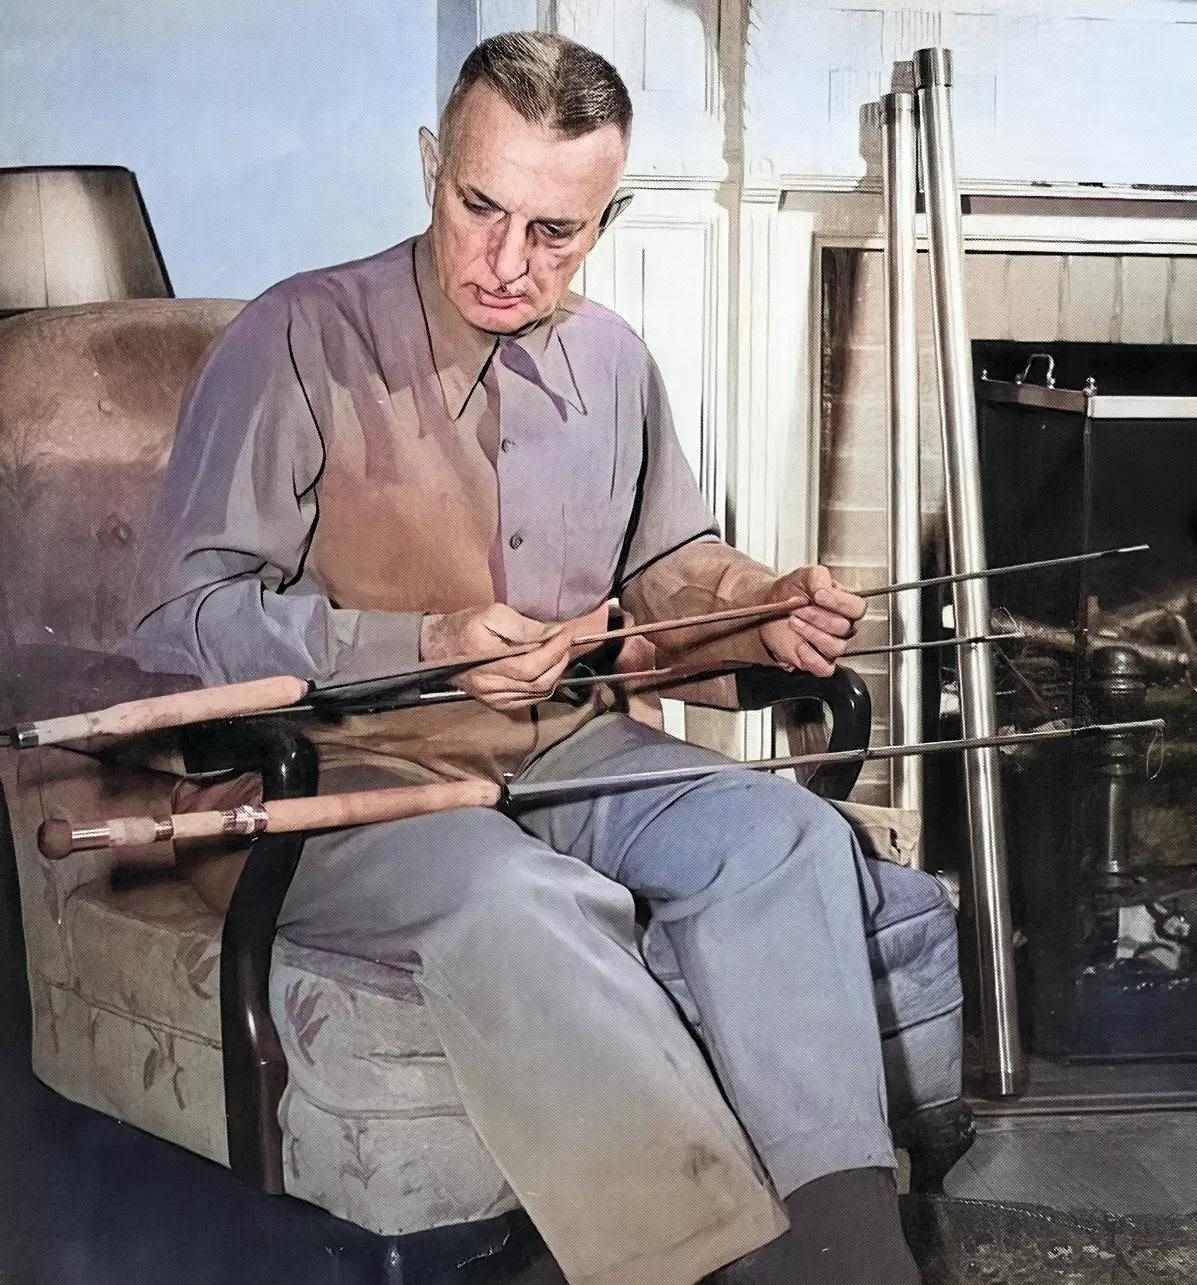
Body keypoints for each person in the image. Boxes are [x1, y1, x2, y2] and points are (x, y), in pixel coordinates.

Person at [132, 31, 964, 1285]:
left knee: (784, 835)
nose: (509, 262)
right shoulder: (295, 337)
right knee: (517, 898)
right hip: (337, 783)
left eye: (555, 233)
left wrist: (760, 608)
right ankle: (700, 1261)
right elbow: (181, 619)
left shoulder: (614, 360)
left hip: (565, 750)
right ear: (433, 166)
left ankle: (847, 1258)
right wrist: (425, 645)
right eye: (481, 208)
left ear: (604, 220)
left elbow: (670, 568)